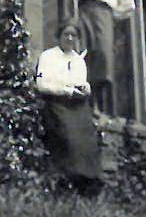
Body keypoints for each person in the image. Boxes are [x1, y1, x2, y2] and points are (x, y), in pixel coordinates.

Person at [35, 18, 102, 196]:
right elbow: (41, 84)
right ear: (59, 36)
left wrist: (85, 88)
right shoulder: (48, 56)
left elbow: (83, 83)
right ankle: (66, 182)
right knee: (69, 138)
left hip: (78, 106)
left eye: (74, 35)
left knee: (88, 140)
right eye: (66, 34)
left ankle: (87, 186)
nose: (70, 38)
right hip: (56, 103)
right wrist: (65, 91)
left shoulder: (79, 60)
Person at [77, 0, 136, 114]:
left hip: (104, 14)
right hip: (85, 12)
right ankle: (84, 99)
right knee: (84, 53)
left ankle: (100, 101)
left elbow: (129, 5)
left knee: (103, 55)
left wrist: (113, 15)